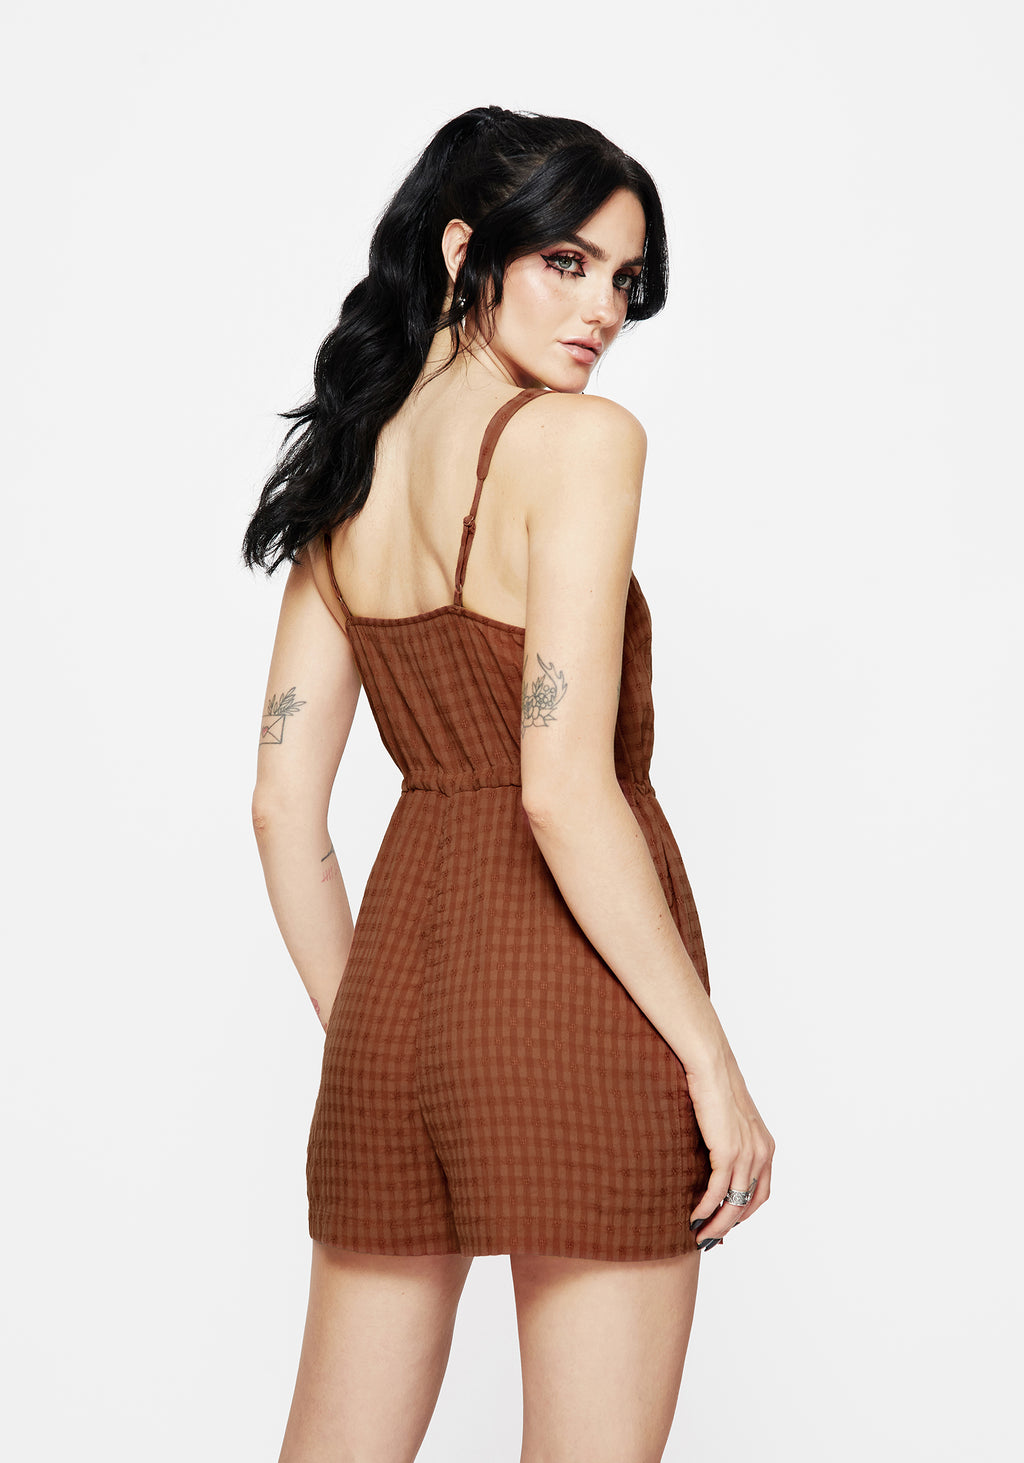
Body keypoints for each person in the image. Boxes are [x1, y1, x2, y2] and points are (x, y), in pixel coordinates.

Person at [243, 105, 775, 1463]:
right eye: (567, 263)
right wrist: (711, 1060)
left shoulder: (348, 472)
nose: (604, 312)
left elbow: (284, 813)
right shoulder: (579, 444)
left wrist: (377, 1039)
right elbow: (561, 789)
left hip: (394, 1016)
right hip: (575, 1003)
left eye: (626, 281)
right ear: (465, 249)